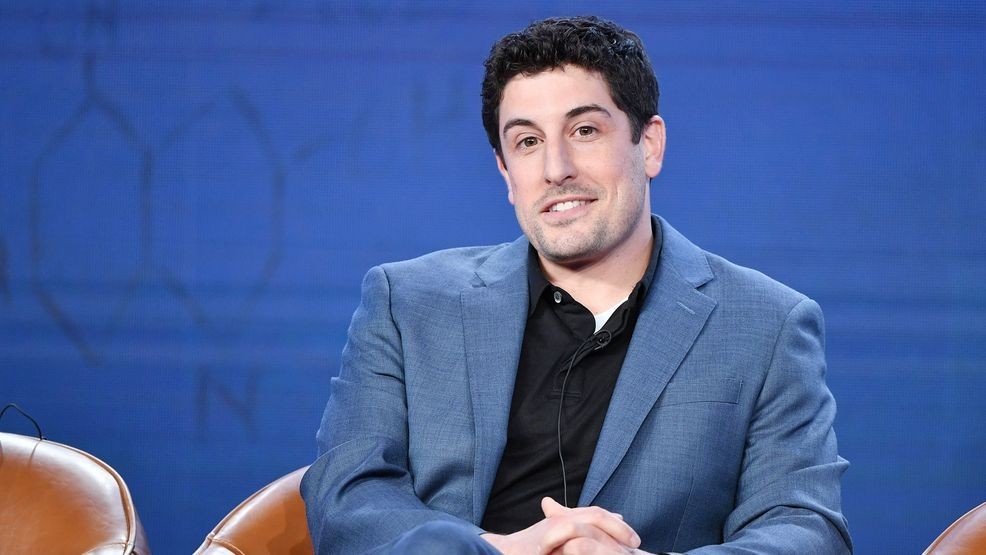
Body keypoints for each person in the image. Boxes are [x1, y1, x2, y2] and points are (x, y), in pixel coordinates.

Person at [301, 15, 851, 555]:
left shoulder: (767, 323)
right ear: (505, 173)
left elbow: (804, 529)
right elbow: (345, 496)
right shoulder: (408, 303)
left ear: (650, 144)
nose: (555, 168)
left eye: (584, 131)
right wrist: (493, 551)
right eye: (527, 142)